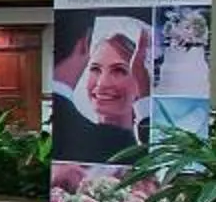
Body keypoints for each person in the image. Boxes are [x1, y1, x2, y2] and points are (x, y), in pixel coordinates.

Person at [52, 16, 149, 164]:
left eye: (119, 71)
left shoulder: (148, 150)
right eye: (95, 69)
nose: (102, 83)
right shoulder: (69, 140)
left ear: (140, 78)